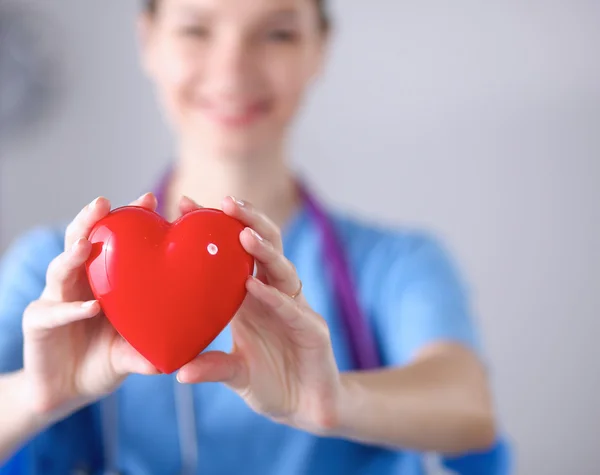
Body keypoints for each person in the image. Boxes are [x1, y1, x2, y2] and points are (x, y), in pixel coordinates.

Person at [0, 0, 512, 474]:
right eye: (197, 30)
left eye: (279, 35)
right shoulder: (61, 267)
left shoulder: (398, 263)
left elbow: (468, 406)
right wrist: (34, 396)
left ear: (319, 51)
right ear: (148, 42)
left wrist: (335, 402)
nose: (232, 71)